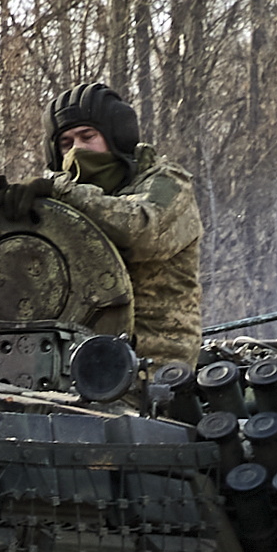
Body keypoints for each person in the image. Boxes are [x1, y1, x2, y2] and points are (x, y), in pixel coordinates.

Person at [34, 80, 203, 365]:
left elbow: (141, 232)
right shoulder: (63, 198)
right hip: (71, 360)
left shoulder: (168, 183)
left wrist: (60, 192)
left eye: (87, 136)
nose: (76, 150)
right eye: (66, 143)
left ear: (116, 136)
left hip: (153, 366)